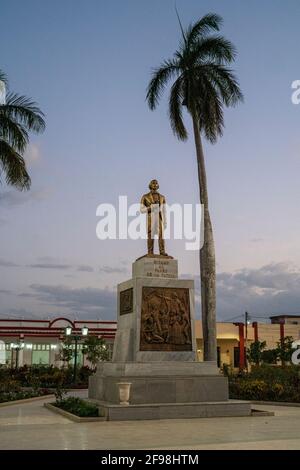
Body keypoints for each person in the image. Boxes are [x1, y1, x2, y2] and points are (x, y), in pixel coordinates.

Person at [140, 179, 167, 256]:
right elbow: (141, 210)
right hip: (150, 218)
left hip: (159, 218)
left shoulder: (162, 197)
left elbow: (164, 210)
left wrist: (165, 221)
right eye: (153, 183)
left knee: (161, 235)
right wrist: (151, 208)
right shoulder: (145, 197)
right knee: (150, 235)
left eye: (156, 183)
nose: (155, 184)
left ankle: (162, 251)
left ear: (158, 185)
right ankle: (150, 252)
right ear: (150, 185)